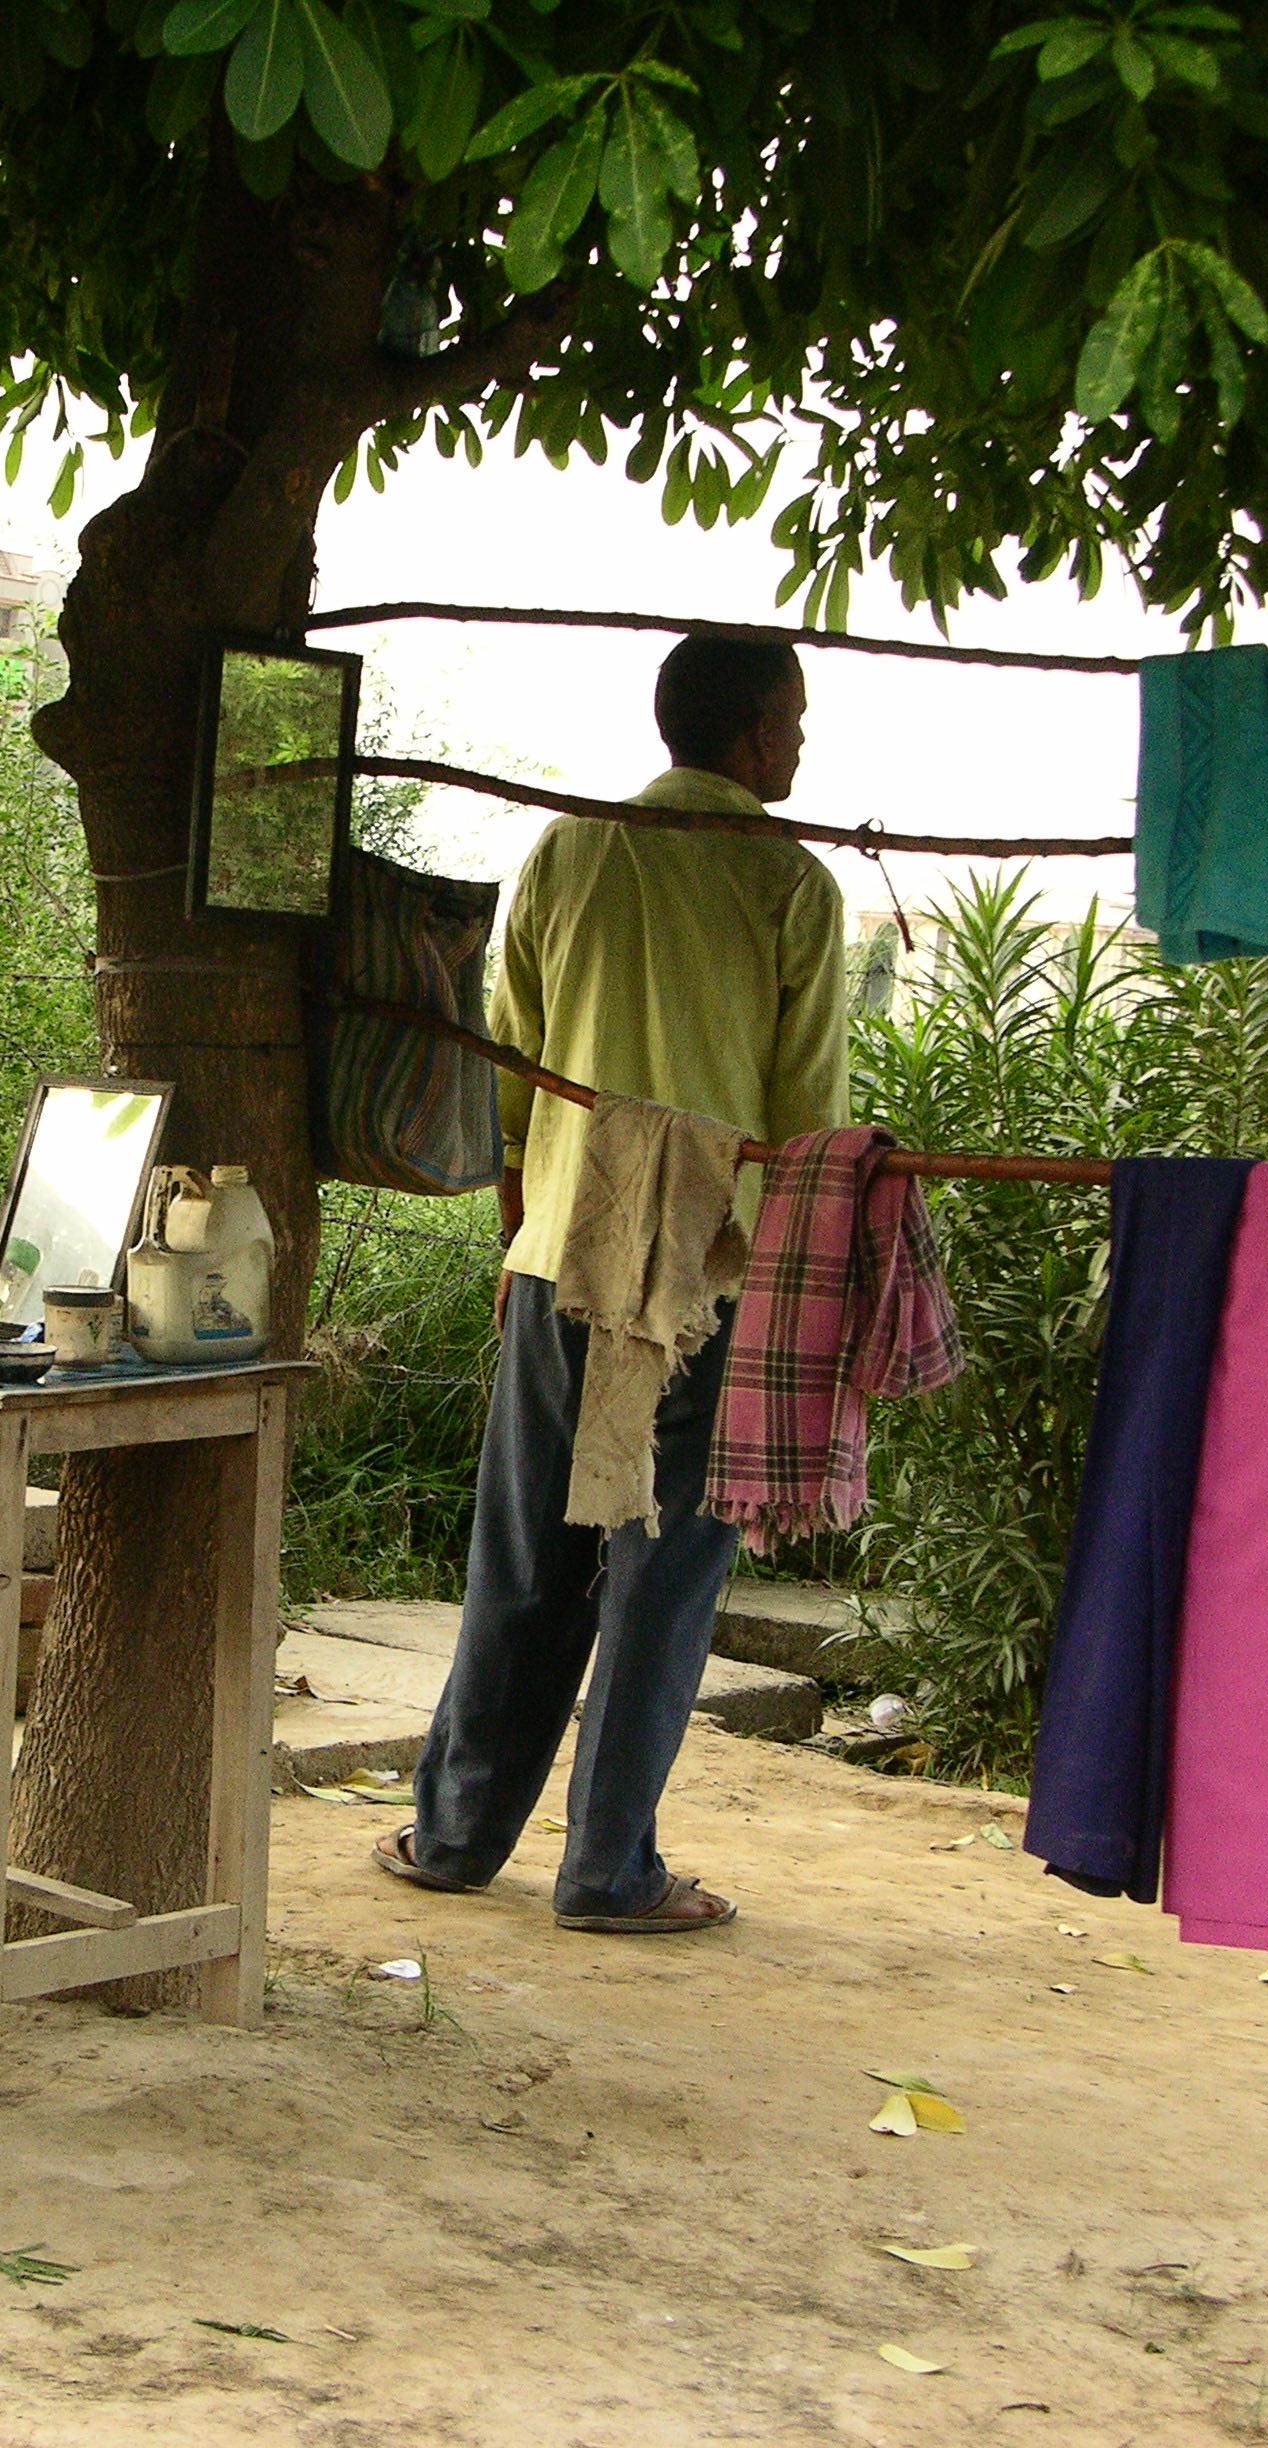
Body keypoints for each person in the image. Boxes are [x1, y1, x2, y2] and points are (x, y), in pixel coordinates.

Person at [376, 635, 849, 1934]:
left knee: (526, 1554)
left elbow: (511, 1066)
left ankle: (457, 1836)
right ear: (754, 736)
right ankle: (609, 1869)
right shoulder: (790, 884)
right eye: (794, 719)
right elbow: (807, 1126)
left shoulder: (570, 852)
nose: (801, 743)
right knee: (663, 1573)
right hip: (709, 1274)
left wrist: (517, 1229)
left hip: (562, 1259)